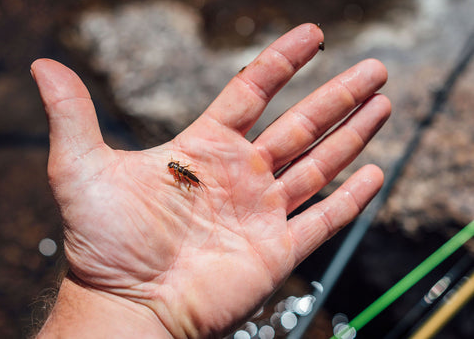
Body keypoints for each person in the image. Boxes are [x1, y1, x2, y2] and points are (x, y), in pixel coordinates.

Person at [31, 23, 390, 338]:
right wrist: (121, 298)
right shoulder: (178, 172)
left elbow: (186, 175)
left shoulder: (183, 173)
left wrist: (116, 302)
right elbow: (181, 174)